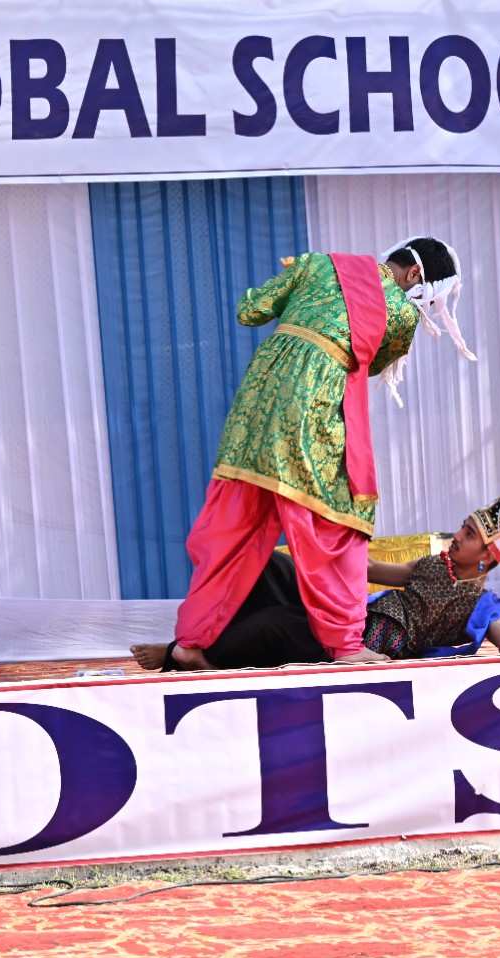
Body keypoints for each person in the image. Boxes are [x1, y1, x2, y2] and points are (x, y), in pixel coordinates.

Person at [157, 239, 465, 672]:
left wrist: (300, 297)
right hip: (311, 409)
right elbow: (372, 363)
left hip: (256, 402)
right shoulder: (400, 312)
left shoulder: (318, 264)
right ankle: (345, 643)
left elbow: (250, 310)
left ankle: (190, 642)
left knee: (236, 522)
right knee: (338, 521)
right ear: (415, 275)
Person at [132, 488, 500, 671]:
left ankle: (186, 657)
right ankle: (199, 639)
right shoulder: (431, 565)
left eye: (469, 536)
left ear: (485, 560)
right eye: (463, 527)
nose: (457, 536)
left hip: (362, 647)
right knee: (269, 566)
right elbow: (371, 570)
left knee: (276, 623)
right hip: (348, 620)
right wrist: (329, 534)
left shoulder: (480, 604)